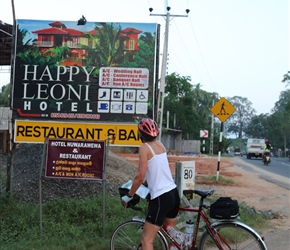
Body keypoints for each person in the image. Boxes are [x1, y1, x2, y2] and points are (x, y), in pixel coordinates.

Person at [121, 118, 180, 250]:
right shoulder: (160, 145)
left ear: (140, 134)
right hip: (173, 193)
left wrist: (129, 195)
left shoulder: (144, 148)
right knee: (172, 236)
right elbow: (157, 171)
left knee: (147, 240)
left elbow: (140, 176)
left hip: (161, 197)